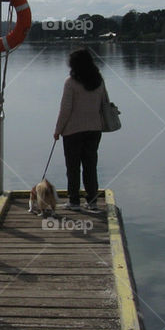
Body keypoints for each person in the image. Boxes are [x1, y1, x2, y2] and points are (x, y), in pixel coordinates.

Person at [54, 49, 109, 214]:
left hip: (73, 131)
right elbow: (105, 103)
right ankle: (92, 201)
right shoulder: (99, 81)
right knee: (91, 165)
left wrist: (58, 130)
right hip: (94, 129)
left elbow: (65, 110)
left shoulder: (70, 82)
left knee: (73, 167)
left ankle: (74, 201)